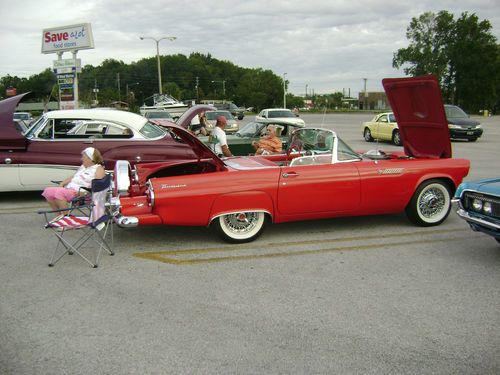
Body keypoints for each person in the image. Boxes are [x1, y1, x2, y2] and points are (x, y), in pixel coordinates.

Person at [41, 147, 106, 216]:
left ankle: (65, 217)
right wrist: (62, 183)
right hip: (70, 190)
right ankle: (58, 215)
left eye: (84, 157)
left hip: (82, 194)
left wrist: (85, 192)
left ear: (90, 159)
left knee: (59, 193)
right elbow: (73, 177)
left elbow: (98, 185)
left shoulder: (98, 169)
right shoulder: (83, 167)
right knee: (48, 191)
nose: (81, 159)